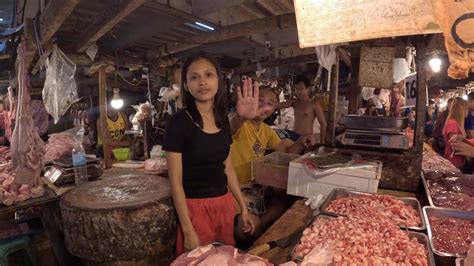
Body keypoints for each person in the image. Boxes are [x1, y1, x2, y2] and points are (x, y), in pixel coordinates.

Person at [163, 53, 254, 255]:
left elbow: (227, 167)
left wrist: (242, 206)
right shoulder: (178, 123)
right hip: (194, 210)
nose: (202, 82)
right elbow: (175, 181)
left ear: (218, 80)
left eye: (208, 75)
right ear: (186, 85)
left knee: (223, 258)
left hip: (224, 205)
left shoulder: (222, 119)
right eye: (194, 77)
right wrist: (187, 229)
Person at [229, 82, 314, 245]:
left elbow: (285, 151)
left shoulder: (267, 130)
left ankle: (260, 232)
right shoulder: (241, 124)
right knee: (246, 232)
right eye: (259, 100)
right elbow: (231, 125)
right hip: (236, 189)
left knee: (284, 205)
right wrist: (241, 116)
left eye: (270, 103)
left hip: (257, 186)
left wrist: (302, 142)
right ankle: (254, 237)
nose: (263, 106)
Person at [278, 75, 327, 144]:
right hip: (294, 136)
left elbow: (323, 124)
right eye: (296, 88)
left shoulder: (314, 104)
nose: (298, 91)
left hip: (307, 138)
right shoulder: (294, 102)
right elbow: (279, 105)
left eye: (301, 88)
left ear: (308, 88)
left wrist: (322, 141)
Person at [443, 97, 468, 169]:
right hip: (453, 162)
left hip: (457, 161)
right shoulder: (452, 123)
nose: (467, 111)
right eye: (466, 109)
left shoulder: (456, 123)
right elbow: (454, 145)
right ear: (461, 110)